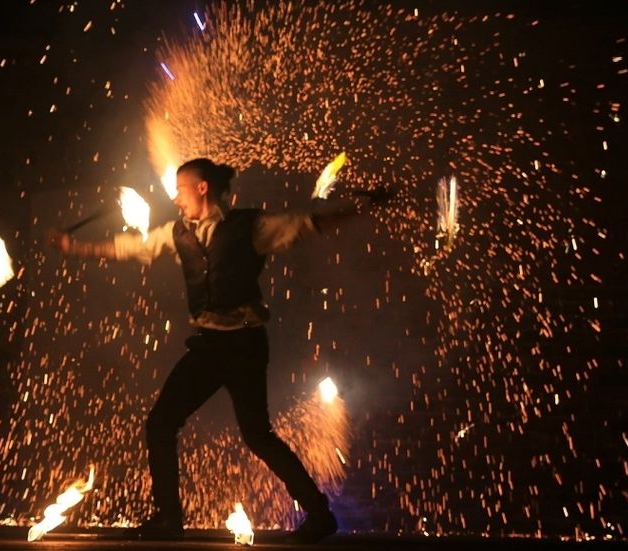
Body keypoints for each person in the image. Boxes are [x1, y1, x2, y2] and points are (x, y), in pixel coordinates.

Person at [49, 157, 391, 544]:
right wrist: (76, 247)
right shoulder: (177, 233)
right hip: (210, 347)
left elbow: (308, 224)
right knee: (161, 424)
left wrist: (365, 206)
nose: (175, 198)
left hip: (244, 345)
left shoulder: (250, 227)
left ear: (202, 188)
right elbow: (131, 247)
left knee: (258, 436)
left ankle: (319, 514)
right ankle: (168, 519)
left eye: (180, 189)